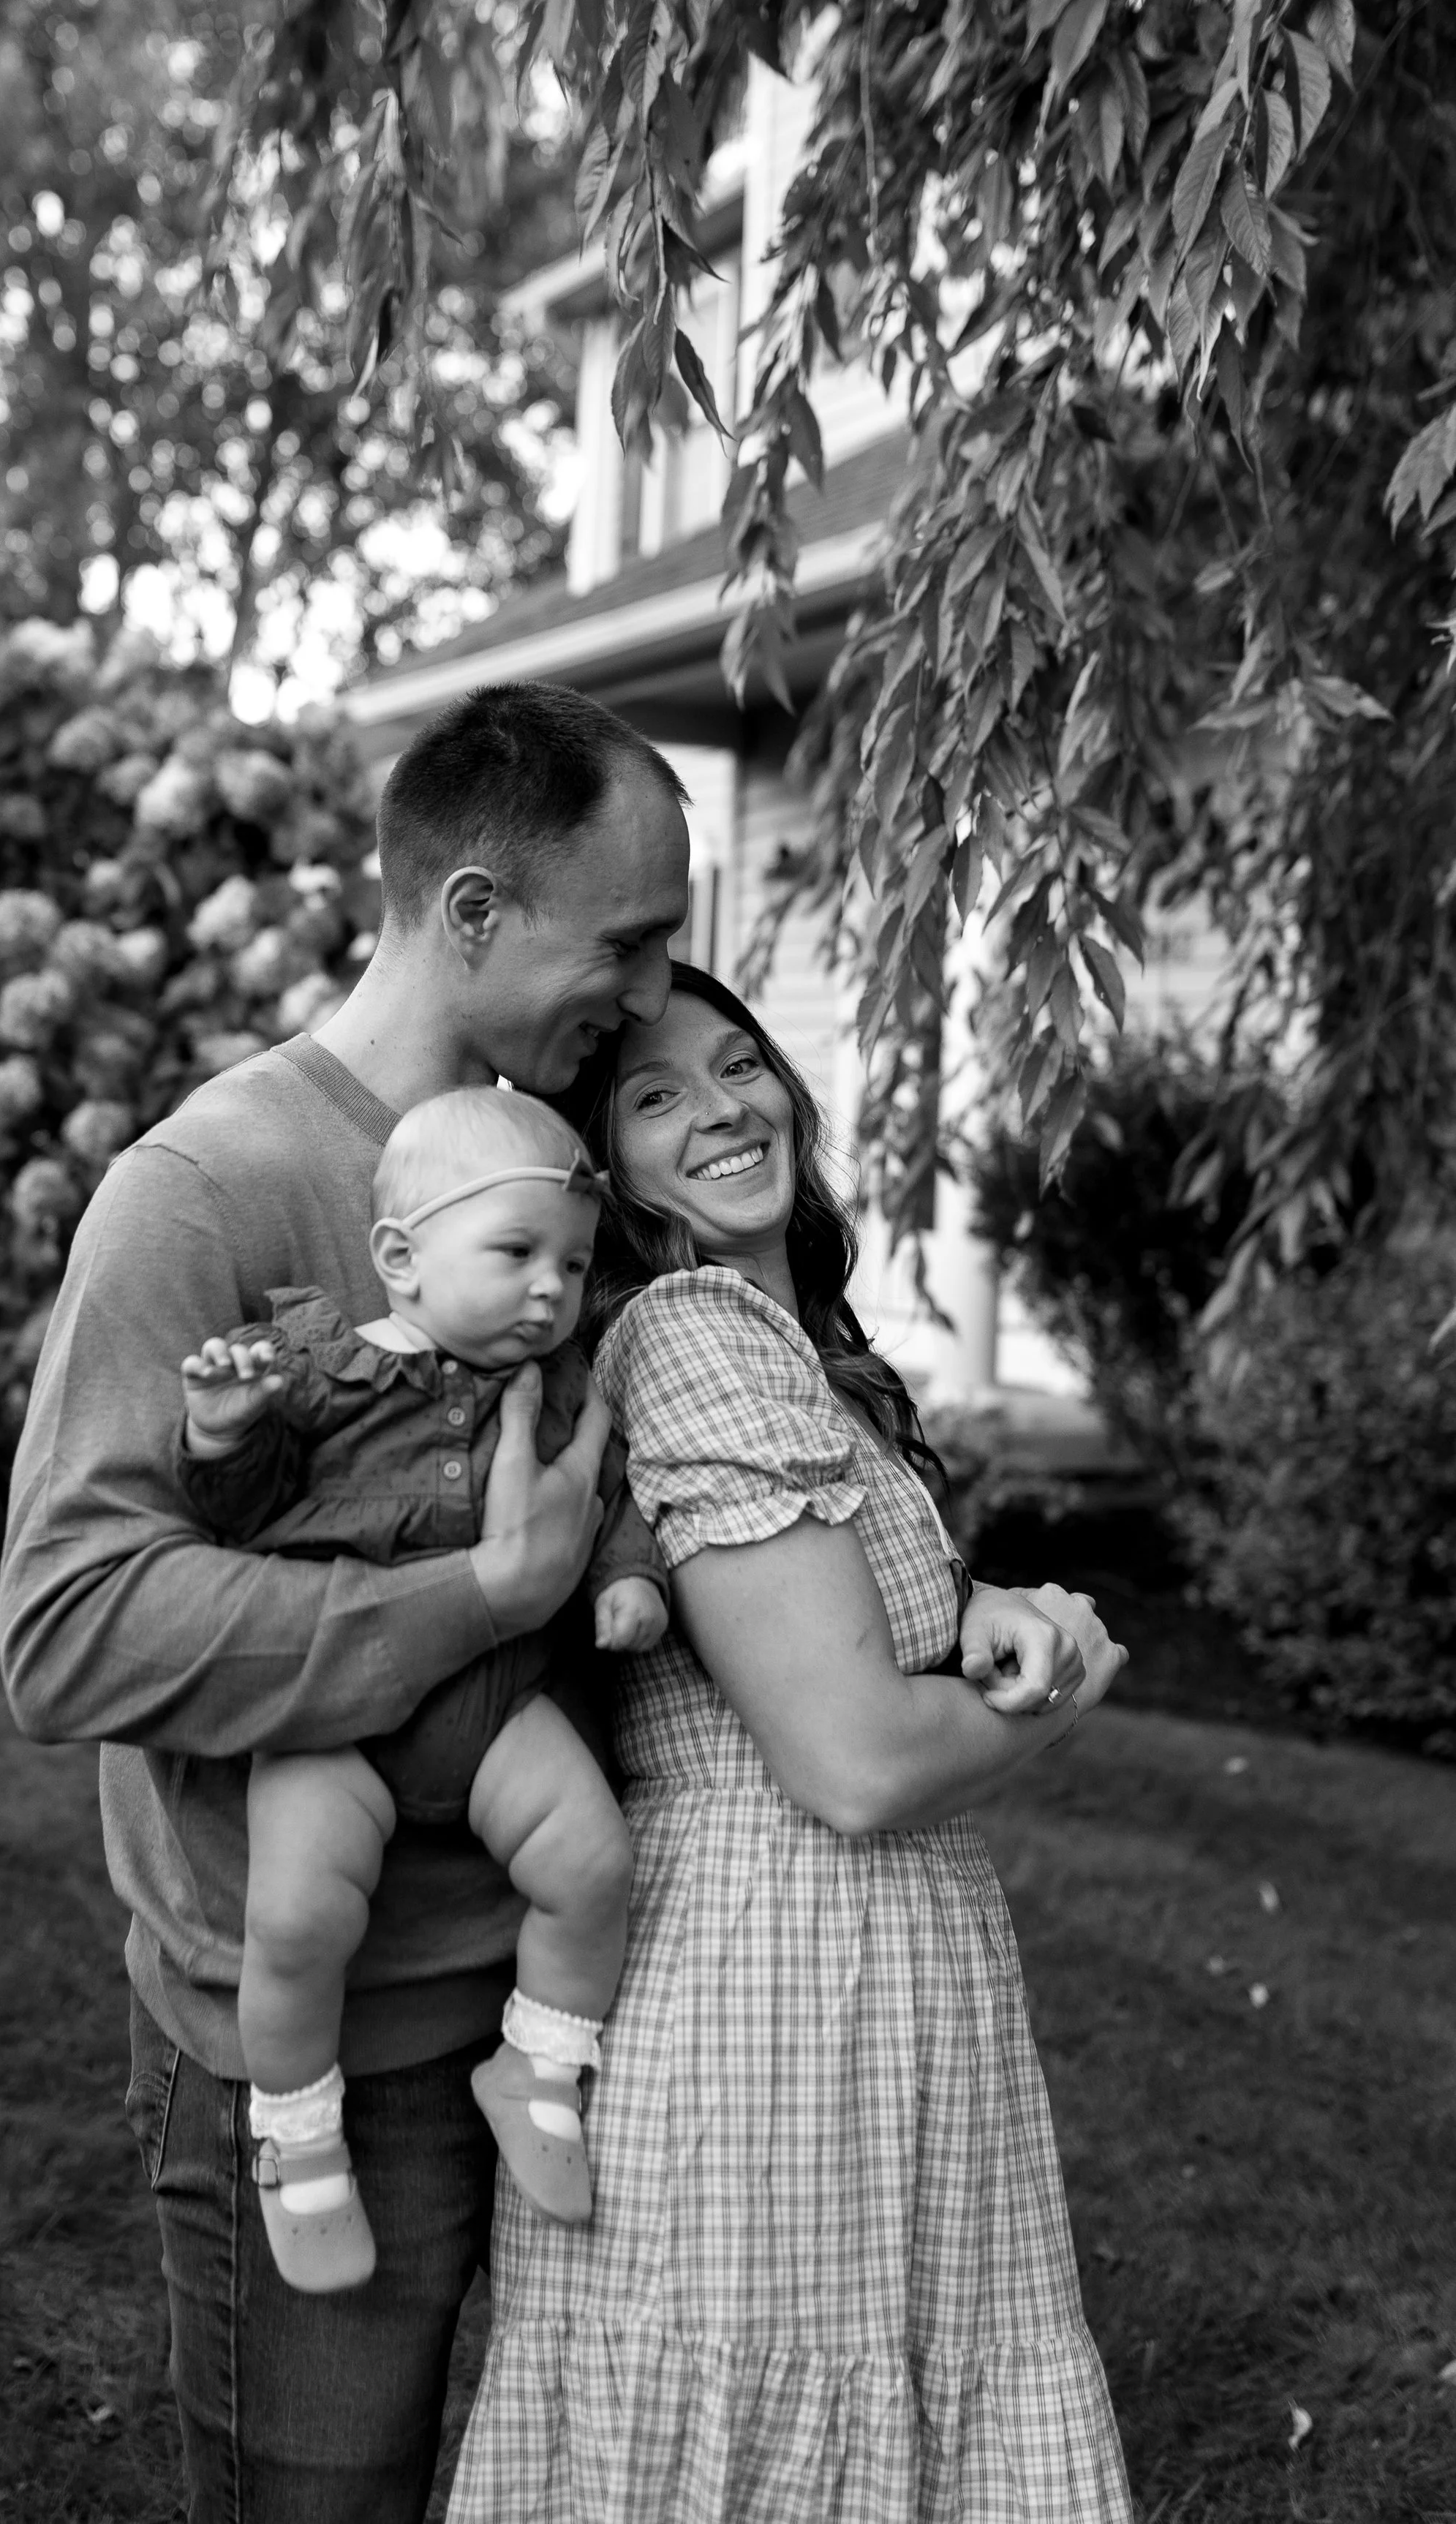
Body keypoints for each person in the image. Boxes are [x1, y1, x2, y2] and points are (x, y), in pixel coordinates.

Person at [0, 680, 1085, 2524]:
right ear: (476, 914)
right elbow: (70, 1629)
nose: (660, 994)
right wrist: (473, 1597)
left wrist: (951, 1604)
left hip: (589, 2019)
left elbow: (725, 1484)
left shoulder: (576, 1181)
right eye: (635, 939)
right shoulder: (213, 1189)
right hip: (333, 2038)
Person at [447, 962, 1134, 2524]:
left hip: (866, 1970)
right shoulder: (694, 1335)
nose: (721, 1110)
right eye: (653, 1096)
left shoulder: (792, 1339)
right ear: (601, 1168)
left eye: (738, 1066)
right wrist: (1068, 1678)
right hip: (768, 1970)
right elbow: (853, 1764)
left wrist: (989, 1610)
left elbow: (854, 1630)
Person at [175, 1086, 668, 2294]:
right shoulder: (320, 1370)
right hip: (337, 1723)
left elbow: (608, 1502)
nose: (553, 1289)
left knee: (592, 1858)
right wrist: (225, 1434)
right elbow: (234, 1520)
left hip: (494, 1709)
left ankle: (540, 2066)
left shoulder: (557, 1391)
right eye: (516, 1253)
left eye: (572, 1261)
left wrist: (628, 1581)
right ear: (401, 1257)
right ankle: (298, 2136)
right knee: (294, 1921)